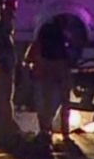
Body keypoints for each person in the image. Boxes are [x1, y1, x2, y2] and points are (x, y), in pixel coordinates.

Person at [25, 18, 74, 150]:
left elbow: (28, 59)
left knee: (44, 106)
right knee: (60, 104)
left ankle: (45, 132)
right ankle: (63, 133)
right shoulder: (63, 46)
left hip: (43, 78)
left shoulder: (39, 44)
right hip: (57, 77)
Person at [0, 0, 21, 146]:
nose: (12, 21)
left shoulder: (0, 32)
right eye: (10, 17)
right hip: (2, 71)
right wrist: (6, 66)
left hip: (3, 70)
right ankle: (7, 131)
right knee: (3, 99)